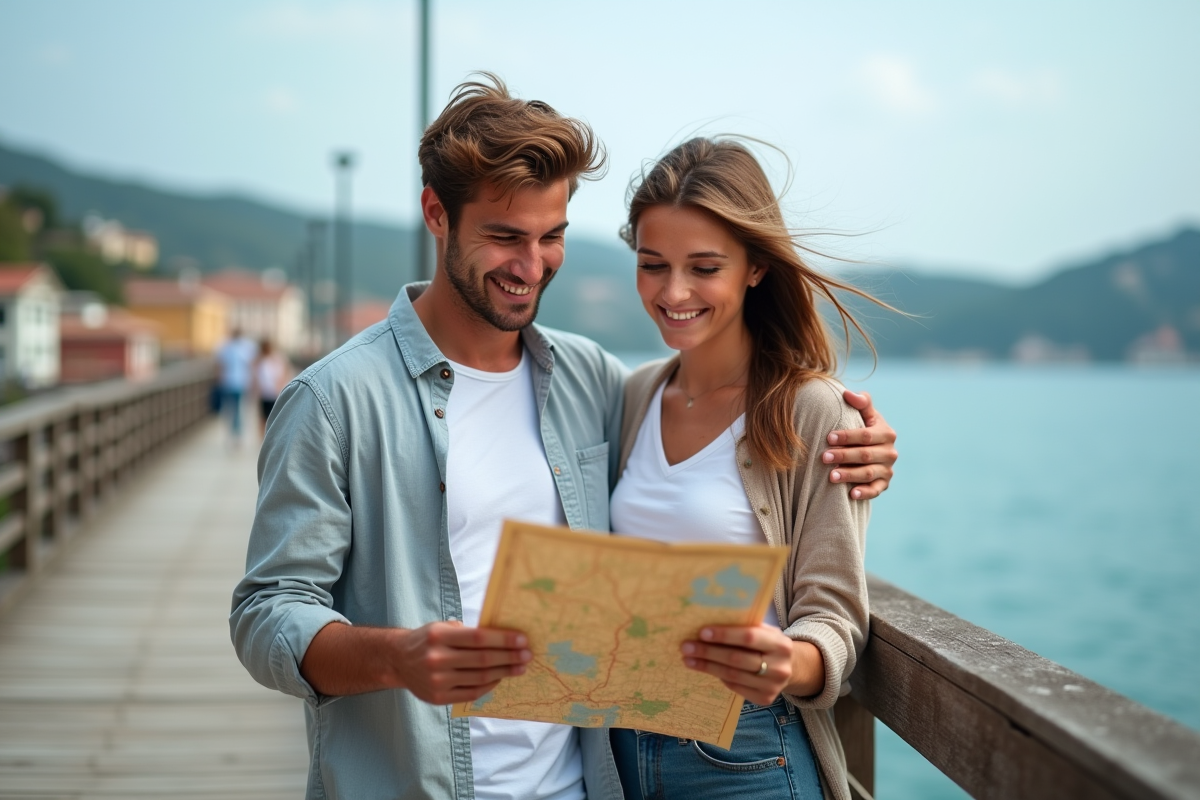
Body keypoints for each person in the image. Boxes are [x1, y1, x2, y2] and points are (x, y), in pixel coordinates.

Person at [230, 75, 897, 800]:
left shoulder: (592, 382)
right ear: (436, 215)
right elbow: (268, 611)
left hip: (594, 782)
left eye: (552, 238)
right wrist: (398, 658)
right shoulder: (332, 400)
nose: (531, 264)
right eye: (505, 237)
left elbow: (742, 446)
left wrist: (865, 445)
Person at [607, 138, 882, 800]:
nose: (673, 292)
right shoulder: (633, 396)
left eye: (704, 267)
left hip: (747, 755)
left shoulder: (813, 412)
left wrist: (790, 664)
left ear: (755, 266)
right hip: (614, 749)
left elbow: (835, 615)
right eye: (652, 265)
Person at [214, 327, 258, 445]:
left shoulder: (230, 346)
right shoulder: (230, 346)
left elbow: (220, 366)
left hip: (240, 382)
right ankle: (235, 433)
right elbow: (220, 366)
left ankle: (236, 433)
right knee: (232, 409)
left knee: (237, 409)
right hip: (231, 382)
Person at [252, 338, 291, 436]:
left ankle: (269, 437)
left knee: (272, 417)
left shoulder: (277, 358)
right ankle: (263, 438)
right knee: (263, 417)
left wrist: (280, 384)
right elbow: (255, 376)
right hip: (265, 393)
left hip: (274, 392)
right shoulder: (260, 360)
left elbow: (285, 371)